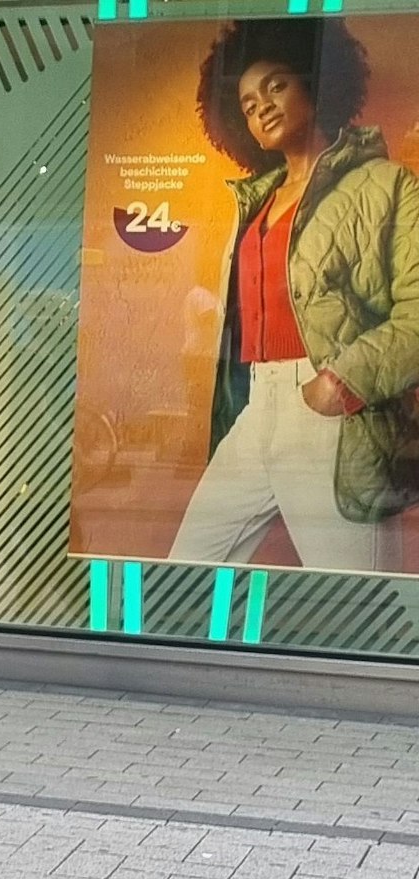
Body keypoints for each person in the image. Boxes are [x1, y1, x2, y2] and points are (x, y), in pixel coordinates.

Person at [171, 18, 419, 571]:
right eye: (248, 102)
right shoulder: (254, 205)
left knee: (355, 602)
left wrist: (342, 380)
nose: (262, 107)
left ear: (315, 81)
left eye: (276, 85)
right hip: (257, 409)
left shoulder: (386, 185)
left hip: (334, 412)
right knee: (186, 568)